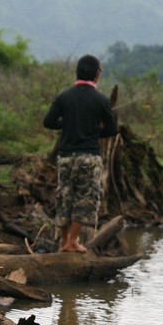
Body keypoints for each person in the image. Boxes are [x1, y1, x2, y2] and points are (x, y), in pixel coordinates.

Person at [43, 54, 117, 253]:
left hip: (65, 157)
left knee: (65, 197)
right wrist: (93, 131)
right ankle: (72, 242)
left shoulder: (64, 96)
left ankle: (65, 241)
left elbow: (48, 122)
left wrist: (66, 125)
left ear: (77, 72)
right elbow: (112, 129)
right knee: (85, 199)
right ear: (96, 74)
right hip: (89, 158)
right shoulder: (101, 100)